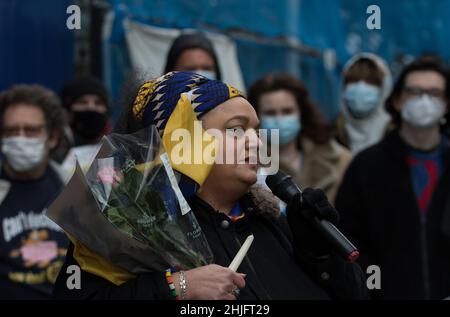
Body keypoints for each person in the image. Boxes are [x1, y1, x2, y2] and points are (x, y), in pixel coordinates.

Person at [53, 71, 367, 300]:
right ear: (180, 141)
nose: (256, 142)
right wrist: (176, 287)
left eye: (256, 131)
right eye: (236, 130)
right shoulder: (128, 229)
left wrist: (319, 255)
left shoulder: (275, 222)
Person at [336, 56, 450, 299]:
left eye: (434, 93)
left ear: (446, 104)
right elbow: (350, 240)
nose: (424, 101)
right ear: (397, 100)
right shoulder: (367, 166)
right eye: (414, 92)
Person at [0, 85, 69, 299]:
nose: (20, 139)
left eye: (31, 131)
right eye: (11, 131)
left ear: (53, 137)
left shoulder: (74, 187)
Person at [248, 73, 352, 204]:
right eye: (270, 113)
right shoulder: (248, 165)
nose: (279, 119)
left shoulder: (340, 160)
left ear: (301, 113)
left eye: (287, 111)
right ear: (256, 118)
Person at [336, 53, 392, 154]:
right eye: (353, 81)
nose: (361, 88)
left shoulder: (396, 136)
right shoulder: (331, 135)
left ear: (384, 90)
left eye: (370, 82)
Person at [59, 76, 111, 173]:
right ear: (67, 111)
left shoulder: (118, 147)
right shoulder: (54, 151)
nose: (91, 108)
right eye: (82, 102)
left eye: (98, 103)